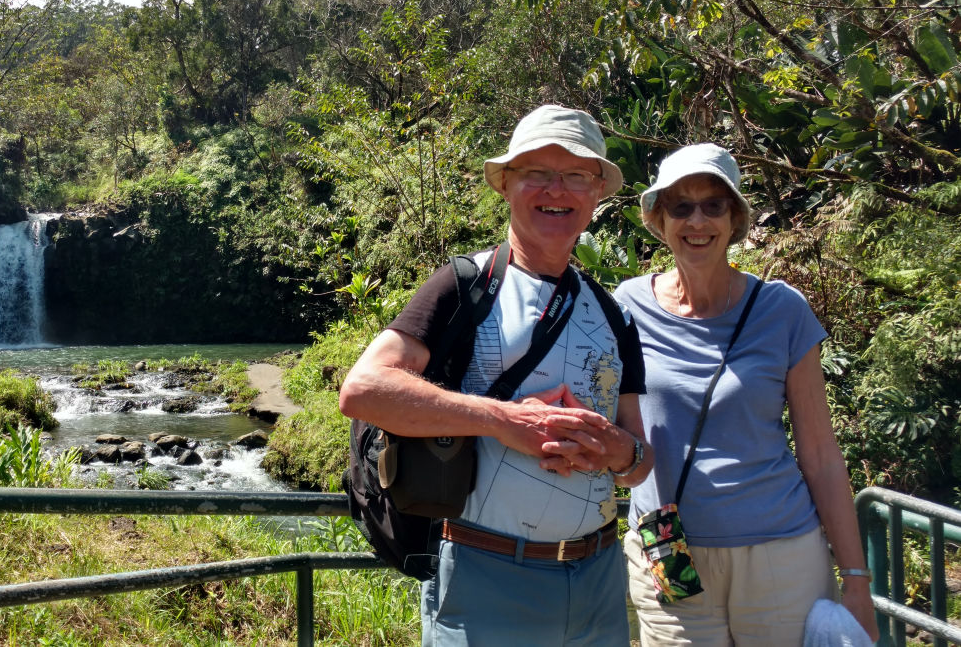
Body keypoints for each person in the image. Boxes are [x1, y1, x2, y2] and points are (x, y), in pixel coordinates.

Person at [339, 104, 653, 645]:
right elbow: (364, 390)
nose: (557, 190)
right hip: (482, 576)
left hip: (599, 579)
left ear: (598, 191)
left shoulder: (613, 313)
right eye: (537, 172)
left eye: (577, 175)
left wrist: (617, 450)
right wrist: (504, 420)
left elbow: (639, 462)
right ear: (506, 184)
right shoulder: (465, 286)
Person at [614, 143, 878, 645]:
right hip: (668, 547)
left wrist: (857, 581)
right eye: (681, 206)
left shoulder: (781, 311)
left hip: (779, 553)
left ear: (734, 218)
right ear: (659, 219)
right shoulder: (625, 307)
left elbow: (820, 454)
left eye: (714, 205)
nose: (698, 220)